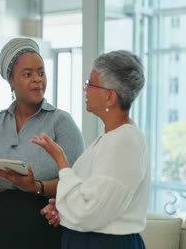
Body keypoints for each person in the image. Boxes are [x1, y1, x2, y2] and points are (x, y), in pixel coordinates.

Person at [32, 50, 150, 249]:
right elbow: (89, 197)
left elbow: (89, 212)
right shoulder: (110, 137)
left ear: (110, 97)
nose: (85, 89)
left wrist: (60, 159)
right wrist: (64, 208)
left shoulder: (124, 141)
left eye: (90, 84)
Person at [0, 38, 84, 249]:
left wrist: (37, 187)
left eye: (41, 72)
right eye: (28, 74)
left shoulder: (61, 122)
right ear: (11, 81)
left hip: (43, 225)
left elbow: (78, 183)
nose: (38, 80)